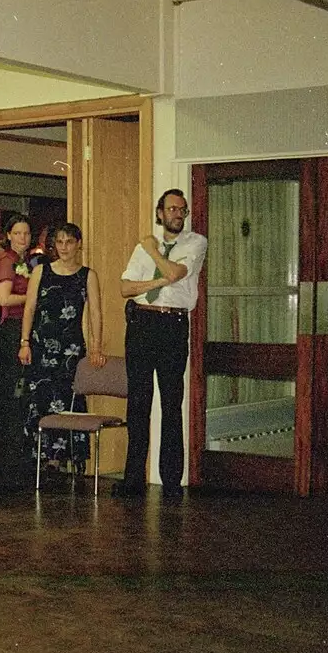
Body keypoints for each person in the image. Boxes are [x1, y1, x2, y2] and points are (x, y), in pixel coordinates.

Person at [111, 189, 207, 499]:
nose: (177, 214)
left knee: (170, 403)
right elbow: (126, 288)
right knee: (138, 402)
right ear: (160, 213)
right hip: (141, 322)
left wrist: (154, 251)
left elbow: (176, 273)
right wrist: (155, 282)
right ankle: (133, 480)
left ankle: (170, 482)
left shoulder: (195, 243)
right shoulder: (143, 248)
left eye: (182, 209)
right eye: (171, 209)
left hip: (172, 325)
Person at [19, 222, 103, 470]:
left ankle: (71, 456)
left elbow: (96, 313)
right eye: (60, 242)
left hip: (72, 348)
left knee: (70, 400)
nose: (64, 247)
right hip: (41, 344)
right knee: (42, 399)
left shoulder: (88, 275)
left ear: (78, 244)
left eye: (69, 242)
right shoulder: (41, 271)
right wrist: (24, 342)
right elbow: (30, 308)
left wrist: (96, 347)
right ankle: (47, 457)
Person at [0, 212, 35, 463]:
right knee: (12, 385)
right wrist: (33, 298)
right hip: (12, 326)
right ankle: (10, 442)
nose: (22, 237)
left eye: (26, 233)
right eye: (17, 233)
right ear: (8, 236)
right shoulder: (7, 261)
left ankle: (20, 439)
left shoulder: (28, 261)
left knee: (23, 384)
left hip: (25, 325)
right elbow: (4, 299)